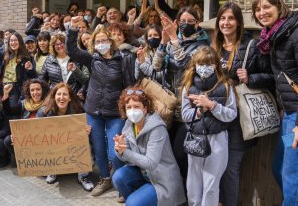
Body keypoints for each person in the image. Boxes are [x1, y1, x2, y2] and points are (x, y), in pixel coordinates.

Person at [212, 1, 273, 206]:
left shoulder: (251, 46)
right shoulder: (214, 48)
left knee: (230, 169)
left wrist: (250, 78)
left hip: (238, 121)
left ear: (239, 23)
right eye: (222, 18)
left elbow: (270, 77)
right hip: (215, 118)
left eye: (231, 18)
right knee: (215, 166)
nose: (226, 22)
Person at [67, 19, 135, 197]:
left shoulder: (124, 58)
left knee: (115, 152)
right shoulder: (92, 58)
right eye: (98, 41)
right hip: (93, 111)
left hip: (115, 113)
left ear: (111, 41)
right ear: (93, 44)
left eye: (104, 40)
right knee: (98, 150)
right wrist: (73, 29)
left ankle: (121, 183)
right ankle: (105, 178)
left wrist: (128, 110)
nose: (101, 44)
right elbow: (72, 50)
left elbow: (129, 86)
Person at [251, 0, 298, 206]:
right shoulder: (274, 37)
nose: (262, 12)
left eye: (266, 7)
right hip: (289, 113)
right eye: (258, 9)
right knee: (279, 167)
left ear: (280, 7)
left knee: (292, 178)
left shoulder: (297, 34)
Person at [152, 6, 209, 183]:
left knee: (180, 155)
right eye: (182, 21)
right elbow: (156, 66)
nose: (185, 25)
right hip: (168, 107)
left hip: (188, 109)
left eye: (190, 21)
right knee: (166, 153)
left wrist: (174, 38)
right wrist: (163, 41)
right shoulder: (170, 43)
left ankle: (184, 194)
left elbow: (185, 64)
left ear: (197, 23)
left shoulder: (202, 46)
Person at [180, 46, 237, 206]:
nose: (204, 68)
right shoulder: (188, 86)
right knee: (193, 183)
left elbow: (231, 114)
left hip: (217, 138)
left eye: (209, 64)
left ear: (216, 66)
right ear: (195, 65)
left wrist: (211, 105)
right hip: (196, 138)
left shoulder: (226, 86)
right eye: (201, 64)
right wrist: (200, 110)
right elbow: (185, 115)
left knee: (211, 184)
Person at [112, 87, 186, 205]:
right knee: (118, 177)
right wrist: (119, 149)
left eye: (136, 107)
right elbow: (125, 156)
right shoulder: (129, 124)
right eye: (129, 107)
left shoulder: (157, 128)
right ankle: (144, 199)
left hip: (161, 179)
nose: (132, 111)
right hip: (144, 174)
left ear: (145, 109)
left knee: (132, 203)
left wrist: (125, 152)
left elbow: (151, 163)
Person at [36, 82, 94, 191]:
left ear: (70, 98)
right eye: (58, 94)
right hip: (53, 145)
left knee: (85, 143)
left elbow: (86, 131)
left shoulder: (79, 111)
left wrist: (87, 130)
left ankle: (83, 176)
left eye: (65, 95)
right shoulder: (44, 112)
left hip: (73, 145)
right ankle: (52, 171)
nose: (61, 98)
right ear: (54, 97)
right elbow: (34, 134)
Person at [0, 32, 37, 114]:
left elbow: (32, 76)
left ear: (20, 42)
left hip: (15, 88)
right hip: (1, 87)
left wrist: (30, 69)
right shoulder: (5, 53)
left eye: (15, 40)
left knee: (12, 110)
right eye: (11, 40)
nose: (13, 43)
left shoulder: (27, 57)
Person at [2, 79, 50, 167]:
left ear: (43, 90)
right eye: (32, 90)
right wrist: (6, 94)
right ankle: (22, 159)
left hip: (42, 139)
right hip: (27, 139)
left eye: (38, 89)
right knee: (8, 140)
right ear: (29, 92)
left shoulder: (49, 104)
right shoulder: (24, 104)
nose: (35, 92)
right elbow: (8, 112)